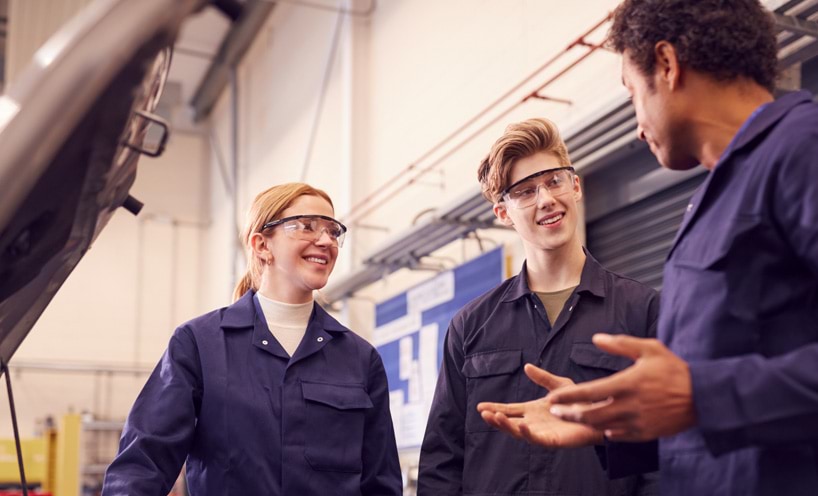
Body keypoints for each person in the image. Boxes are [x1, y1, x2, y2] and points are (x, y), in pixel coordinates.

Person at [478, 1, 818, 494]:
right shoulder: (715, 198)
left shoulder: (802, 149)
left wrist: (704, 396)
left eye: (633, 93)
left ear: (667, 65)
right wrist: (612, 422)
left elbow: (705, 396)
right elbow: (710, 412)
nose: (637, 125)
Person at [102, 183, 402, 495]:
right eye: (307, 226)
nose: (326, 240)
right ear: (261, 245)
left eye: (333, 230)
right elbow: (143, 464)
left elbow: (380, 482)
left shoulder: (359, 358)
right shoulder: (200, 345)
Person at [417, 117, 659, 495]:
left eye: (553, 181)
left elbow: (663, 453)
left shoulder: (641, 311)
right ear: (503, 213)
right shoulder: (470, 326)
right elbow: (442, 461)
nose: (546, 199)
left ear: (575, 185)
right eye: (526, 191)